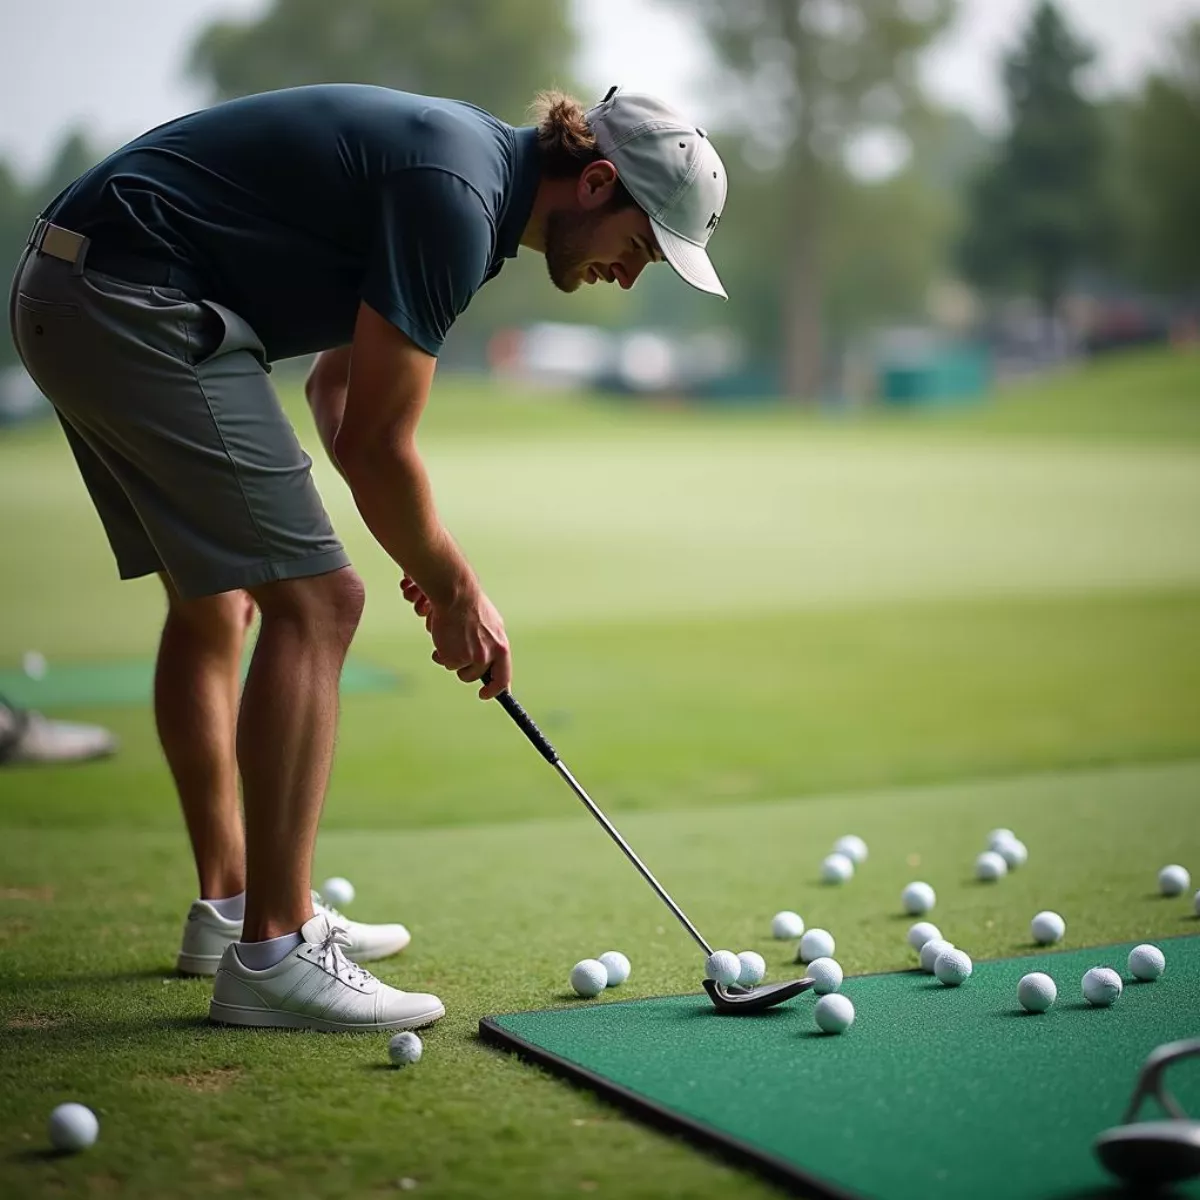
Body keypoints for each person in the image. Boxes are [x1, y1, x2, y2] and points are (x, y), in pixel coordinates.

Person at [8, 83, 728, 1033]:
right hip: (130, 298)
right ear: (596, 183)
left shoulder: (473, 184)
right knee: (320, 604)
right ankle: (273, 955)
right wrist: (457, 588)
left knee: (221, 599)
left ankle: (235, 910)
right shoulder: (457, 200)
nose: (627, 277)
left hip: (78, 286)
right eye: (638, 249)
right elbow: (381, 450)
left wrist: (426, 563)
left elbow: (341, 402)